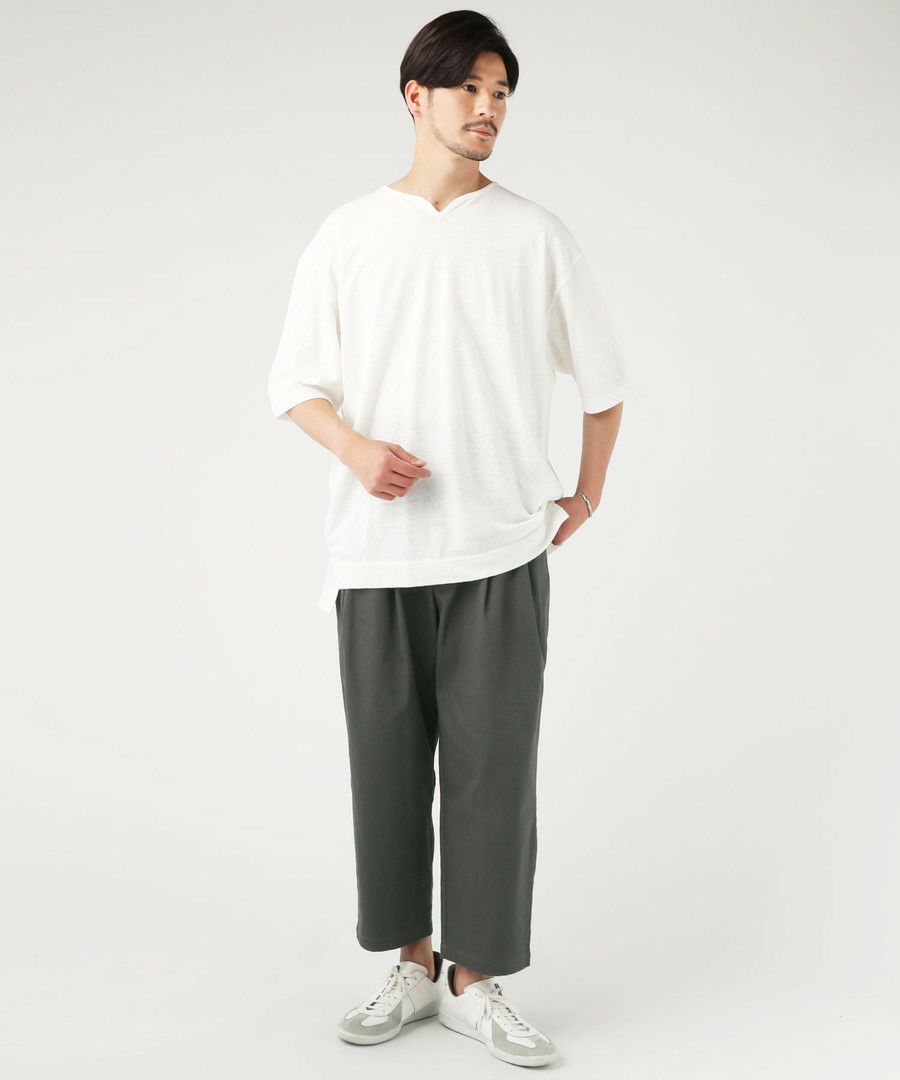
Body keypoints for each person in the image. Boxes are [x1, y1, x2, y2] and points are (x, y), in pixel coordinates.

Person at [268, 10, 626, 1068]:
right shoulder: (349, 234)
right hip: (376, 554)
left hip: (500, 549)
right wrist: (355, 449)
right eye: (469, 87)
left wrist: (586, 493)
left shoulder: (534, 235)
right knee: (385, 771)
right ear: (415, 95)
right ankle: (413, 965)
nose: (488, 108)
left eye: (502, 92)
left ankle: (476, 982)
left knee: (492, 774)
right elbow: (295, 382)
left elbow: (603, 381)